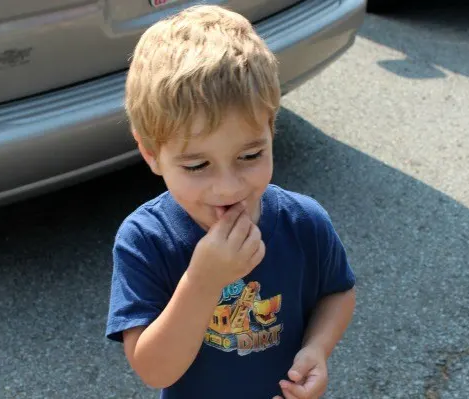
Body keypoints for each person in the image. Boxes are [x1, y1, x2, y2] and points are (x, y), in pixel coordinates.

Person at [105, 5, 356, 399]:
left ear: (272, 130)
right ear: (151, 154)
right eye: (197, 164)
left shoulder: (304, 222)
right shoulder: (146, 240)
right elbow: (154, 370)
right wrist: (202, 281)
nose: (228, 187)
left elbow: (337, 292)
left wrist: (317, 348)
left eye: (250, 155)